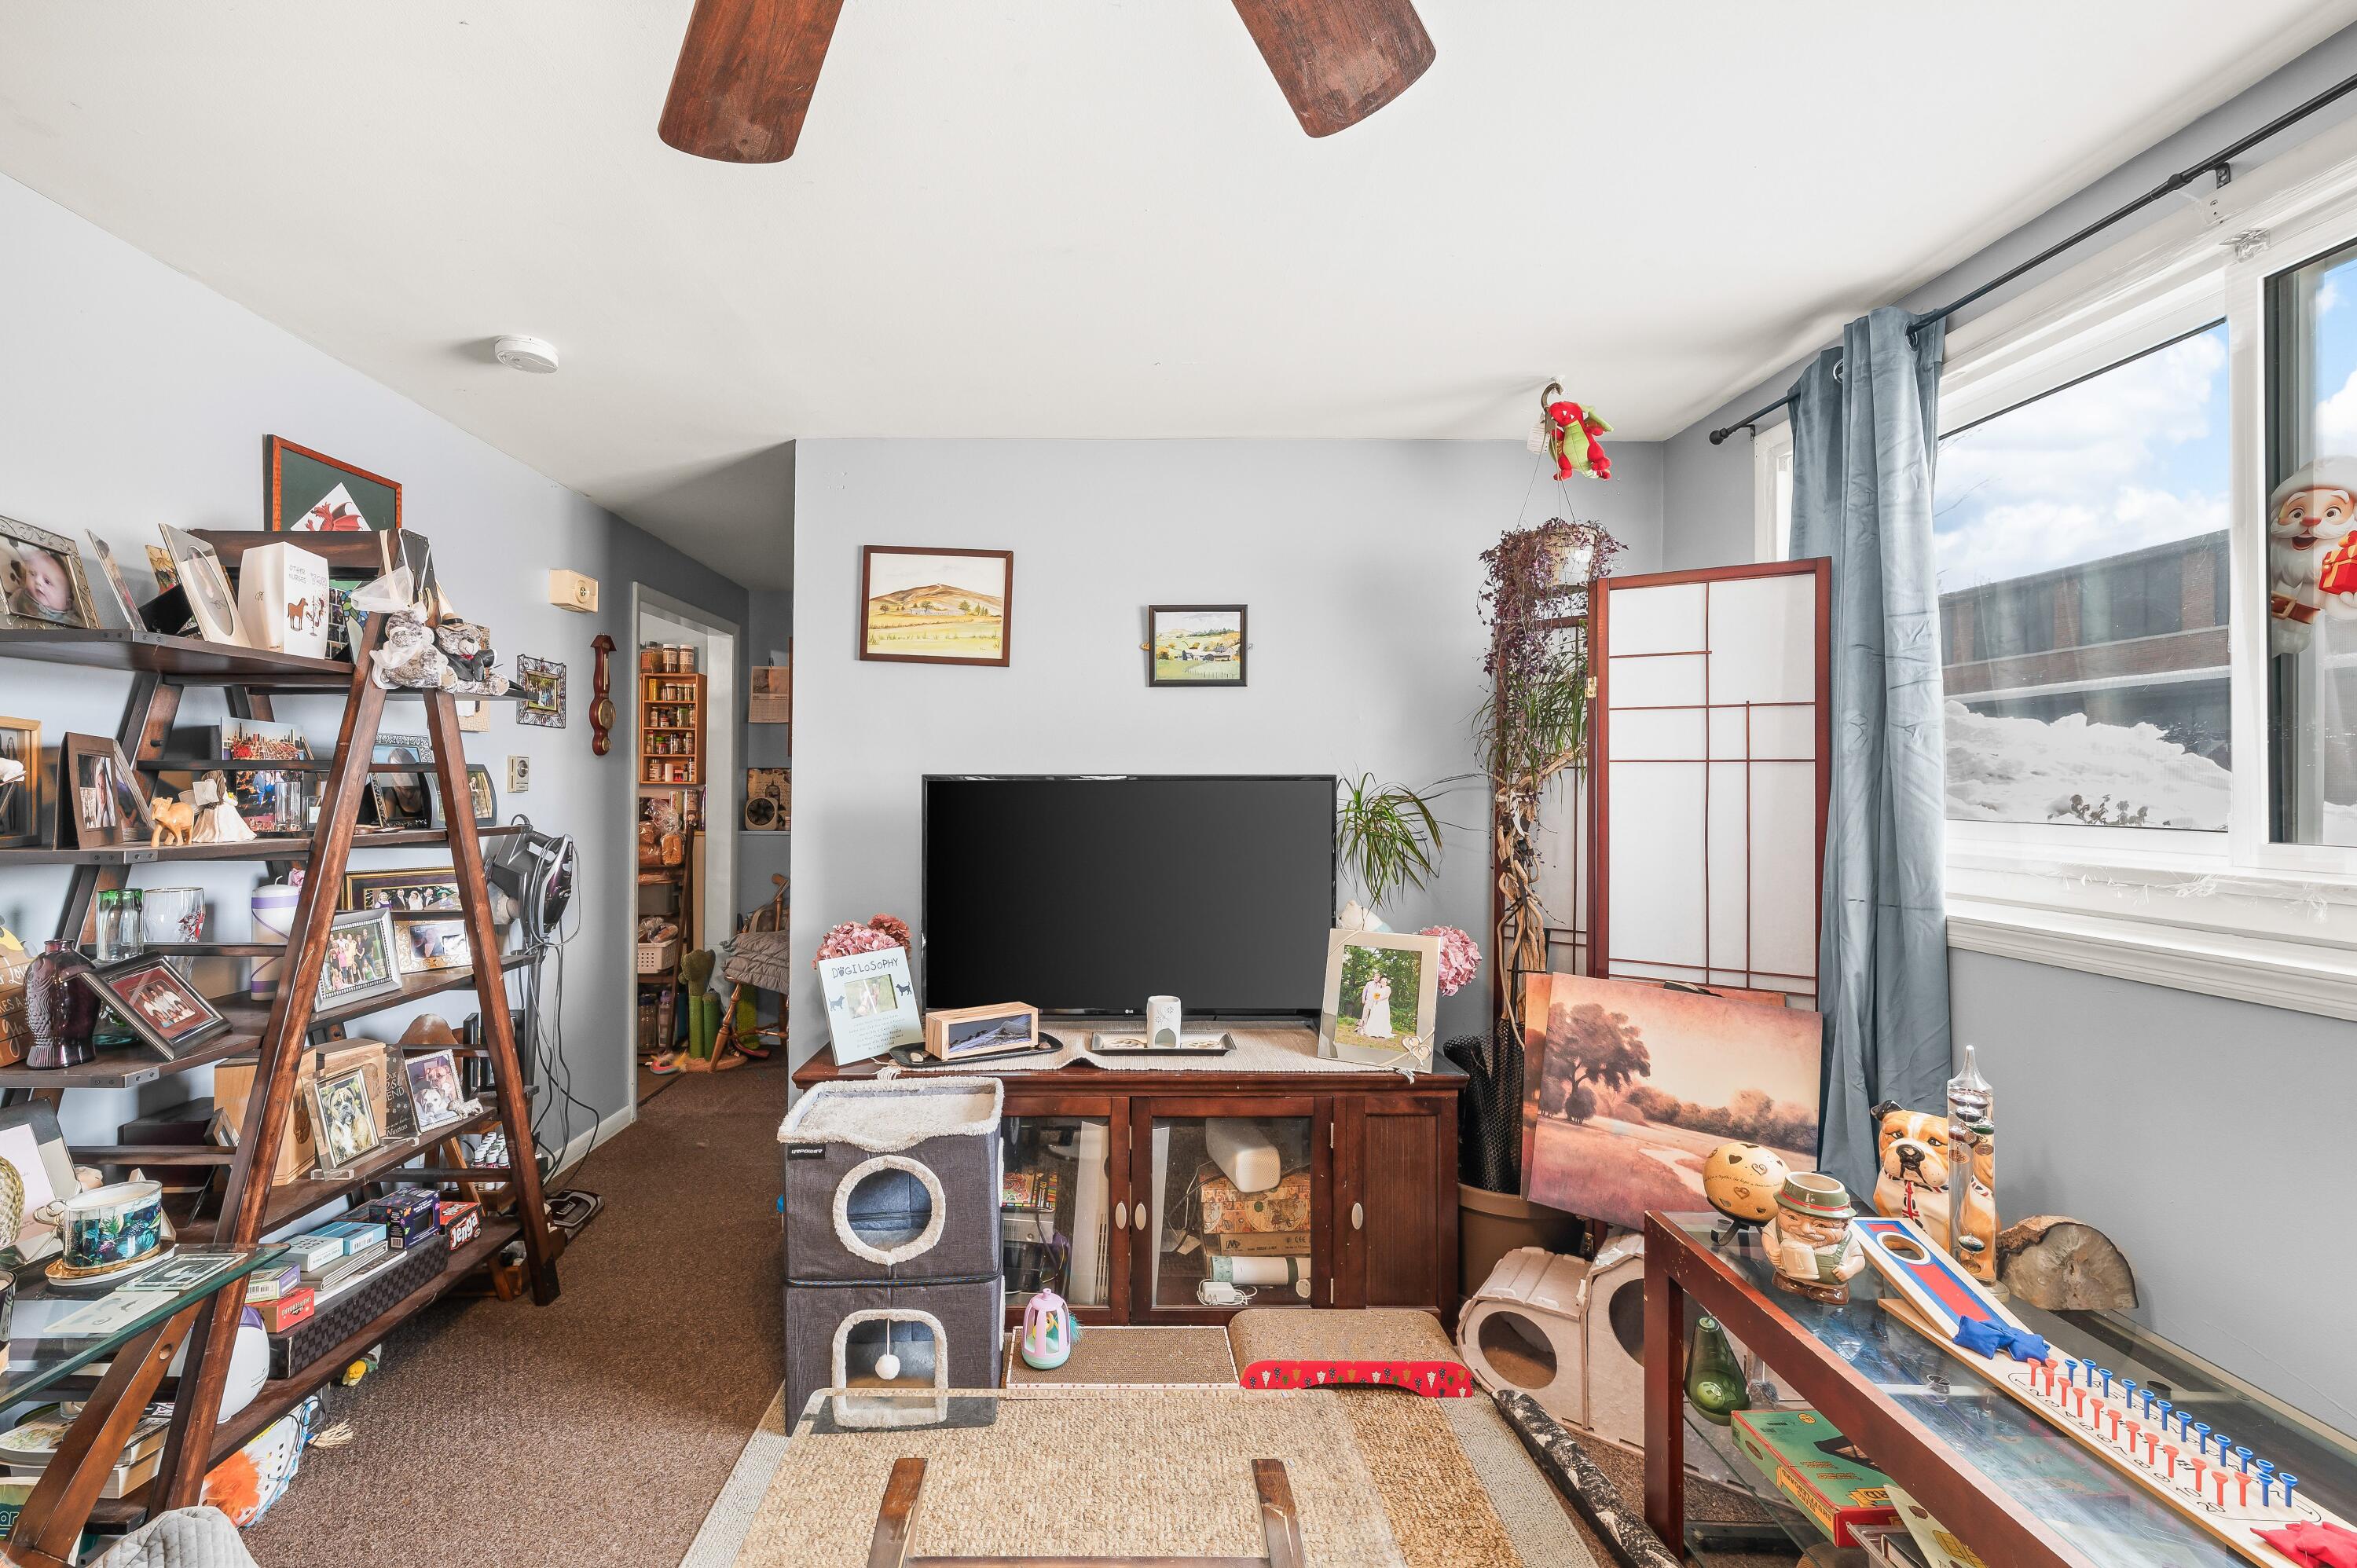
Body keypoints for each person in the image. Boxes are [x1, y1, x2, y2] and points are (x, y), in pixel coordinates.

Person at [5, 540, 82, 625]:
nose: (38, 580)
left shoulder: (69, 621)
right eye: (33, 573)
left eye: (47, 581)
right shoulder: (19, 594)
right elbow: (8, 607)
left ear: (67, 604)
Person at [1358, 971, 1394, 1039]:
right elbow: (1364, 991)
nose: (1377, 979)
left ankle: (1374, 1029)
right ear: (1374, 977)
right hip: (1369, 1001)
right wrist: (1363, 998)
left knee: (1375, 1016)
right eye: (1376, 978)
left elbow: (1381, 995)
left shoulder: (1380, 986)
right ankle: (1361, 1029)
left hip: (1377, 1004)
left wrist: (1377, 1000)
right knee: (1365, 1016)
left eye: (1378, 979)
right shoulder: (1369, 983)